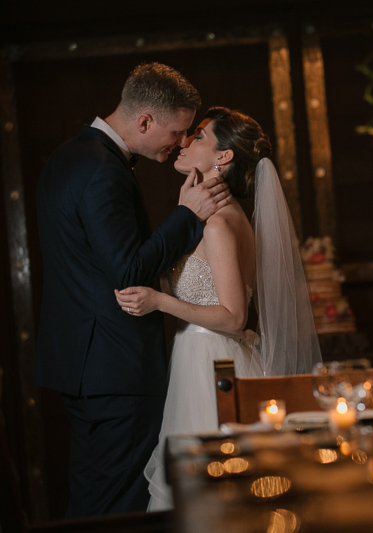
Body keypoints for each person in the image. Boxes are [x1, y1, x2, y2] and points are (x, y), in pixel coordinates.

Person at [34, 62, 231, 517]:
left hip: (85, 363)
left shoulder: (69, 155)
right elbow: (127, 270)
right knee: (119, 507)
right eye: (179, 131)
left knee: (95, 498)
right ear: (144, 121)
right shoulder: (102, 170)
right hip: (114, 367)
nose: (182, 142)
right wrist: (188, 214)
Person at [114, 106, 322, 510]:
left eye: (201, 136)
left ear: (223, 157)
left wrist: (159, 302)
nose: (186, 142)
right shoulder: (209, 217)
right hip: (198, 360)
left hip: (213, 363)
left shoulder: (220, 224)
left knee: (215, 496)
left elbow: (233, 316)